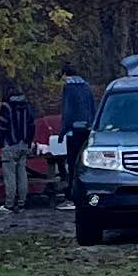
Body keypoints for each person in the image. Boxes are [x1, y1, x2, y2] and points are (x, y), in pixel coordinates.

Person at [0, 78, 38, 214]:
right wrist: (28, 141)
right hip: (24, 144)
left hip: (10, 144)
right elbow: (32, 125)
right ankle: (22, 202)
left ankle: (9, 204)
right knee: (22, 174)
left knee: (10, 176)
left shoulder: (6, 107)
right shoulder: (27, 106)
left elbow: (1, 126)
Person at [59, 66, 97, 199]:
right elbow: (93, 107)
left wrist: (62, 131)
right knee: (84, 162)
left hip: (73, 131)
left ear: (65, 74)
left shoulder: (68, 88)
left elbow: (67, 111)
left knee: (72, 161)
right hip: (87, 129)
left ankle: (71, 193)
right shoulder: (87, 87)